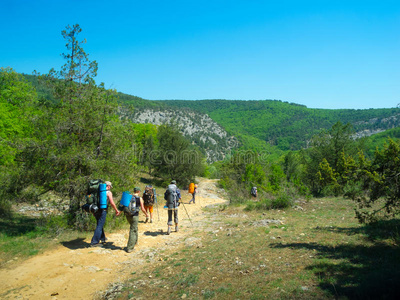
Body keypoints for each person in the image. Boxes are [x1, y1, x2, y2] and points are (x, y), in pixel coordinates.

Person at [90, 181, 120, 247]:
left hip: (96, 209)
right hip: (102, 210)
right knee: (100, 225)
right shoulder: (108, 192)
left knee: (99, 224)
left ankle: (102, 238)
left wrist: (93, 211)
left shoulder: (97, 192)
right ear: (108, 186)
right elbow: (112, 203)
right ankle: (94, 242)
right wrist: (116, 210)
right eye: (110, 186)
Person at [123, 187, 148, 253]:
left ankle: (135, 241)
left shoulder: (129, 197)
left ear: (134, 191)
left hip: (128, 215)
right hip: (135, 215)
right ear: (139, 191)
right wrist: (146, 214)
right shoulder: (139, 198)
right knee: (133, 230)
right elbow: (142, 208)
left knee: (134, 227)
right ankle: (130, 247)